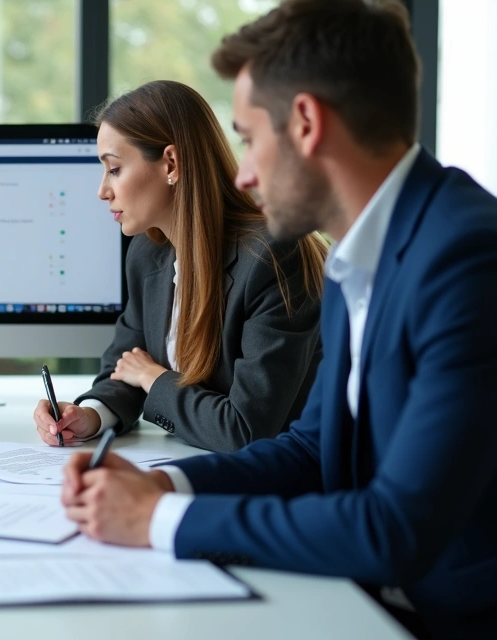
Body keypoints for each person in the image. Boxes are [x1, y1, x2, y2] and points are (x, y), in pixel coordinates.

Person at [61, 1, 497, 637]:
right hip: (367, 600)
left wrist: (157, 523)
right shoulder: (366, 252)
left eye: (247, 137)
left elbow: (395, 527)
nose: (241, 173)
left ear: (305, 123)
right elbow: (312, 449)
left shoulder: (464, 260)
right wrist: (168, 486)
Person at [33, 80, 327, 453]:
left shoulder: (273, 257)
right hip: (187, 461)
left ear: (171, 163)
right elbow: (125, 366)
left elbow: (245, 430)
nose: (102, 190)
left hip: (283, 482)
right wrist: (89, 415)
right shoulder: (147, 253)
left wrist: (154, 379)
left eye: (115, 169)